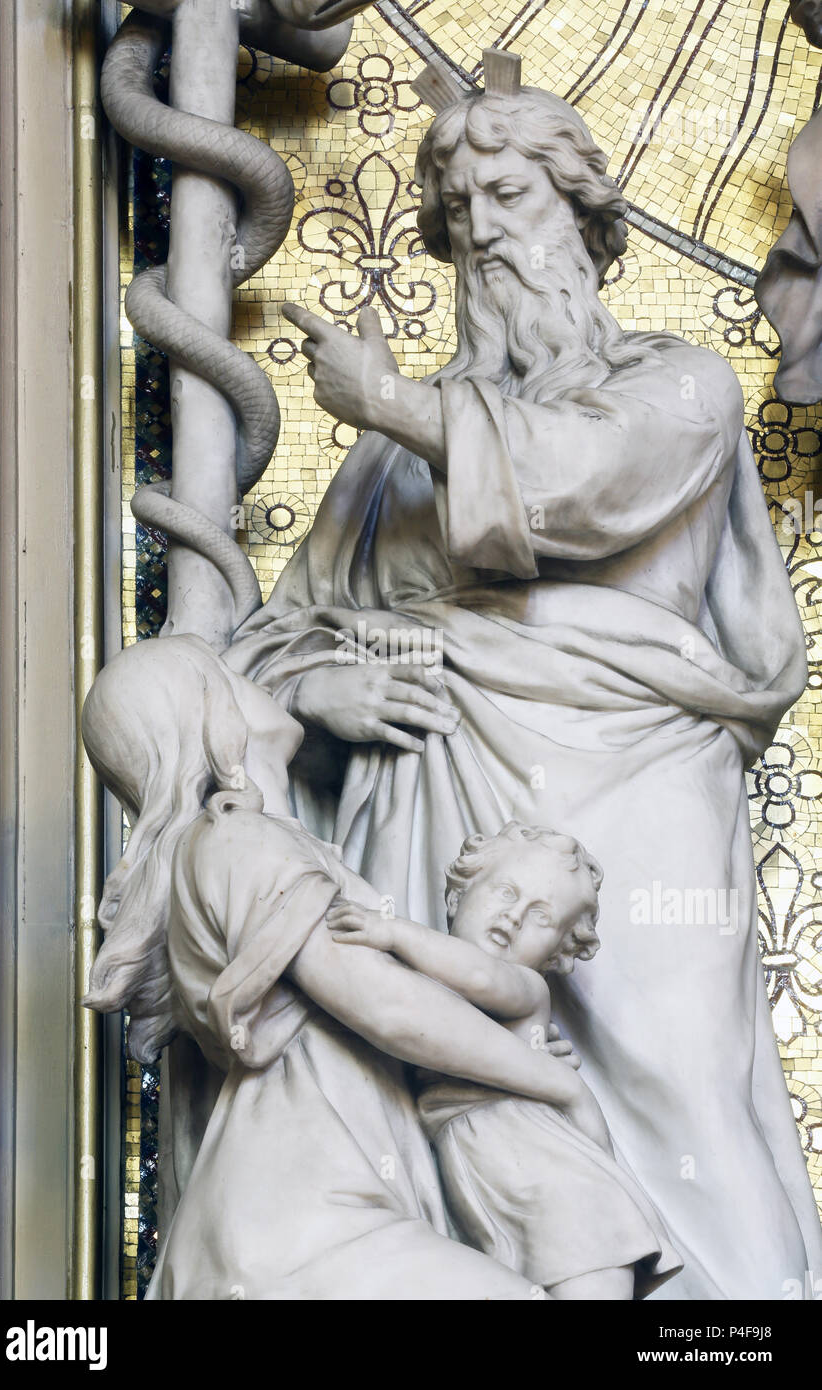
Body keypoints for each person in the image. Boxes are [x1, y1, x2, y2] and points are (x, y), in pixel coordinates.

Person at [226, 64, 822, 1296]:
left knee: (678, 1079)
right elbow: (279, 637)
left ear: (583, 211)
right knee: (445, 1086)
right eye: (455, 212)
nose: (481, 230)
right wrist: (322, 692)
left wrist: (389, 402)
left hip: (640, 785)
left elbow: (585, 483)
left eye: (507, 193)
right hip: (427, 787)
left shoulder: (678, 381)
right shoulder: (400, 454)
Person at [83, 634, 596, 1299]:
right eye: (223, 673)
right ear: (211, 721)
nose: (250, 675)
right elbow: (384, 1007)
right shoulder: (238, 840)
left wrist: (501, 1039)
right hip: (300, 1226)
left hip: (327, 1215)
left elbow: (386, 1022)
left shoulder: (265, 841)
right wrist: (553, 1084)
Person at [328, 821, 682, 1300]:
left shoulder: (523, 987)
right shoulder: (422, 989)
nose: (513, 917)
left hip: (555, 1185)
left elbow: (477, 973)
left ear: (557, 951)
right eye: (505, 892)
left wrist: (392, 931)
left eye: (540, 917)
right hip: (498, 1185)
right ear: (456, 897)